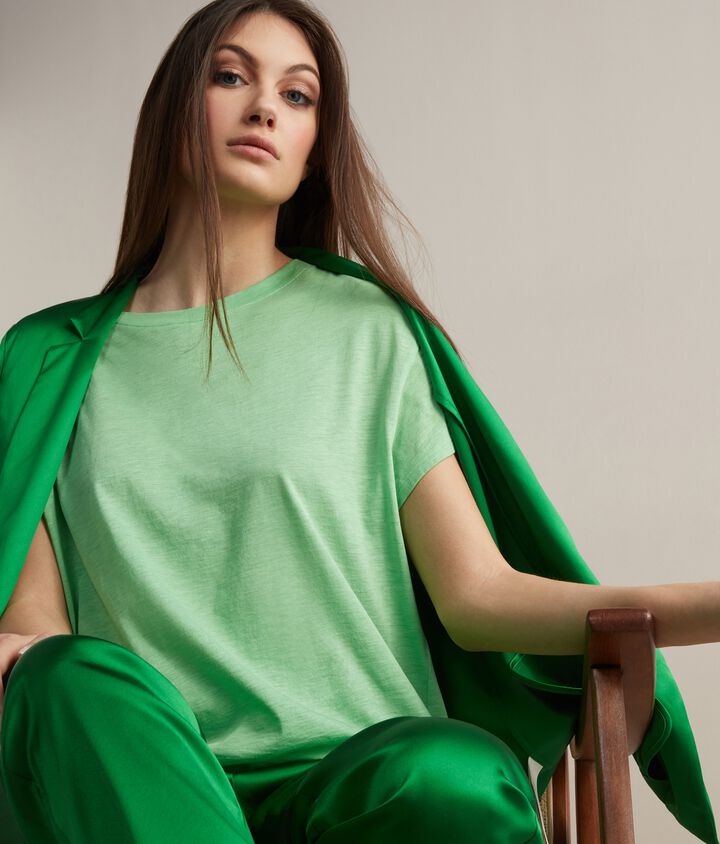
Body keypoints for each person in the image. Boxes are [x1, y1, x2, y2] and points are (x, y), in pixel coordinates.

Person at [0, 2, 718, 843]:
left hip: (356, 789)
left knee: (457, 776)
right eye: (230, 76)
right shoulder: (46, 358)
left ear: (314, 151)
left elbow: (479, 597)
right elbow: (37, 640)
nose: (263, 108)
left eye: (297, 95)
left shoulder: (368, 329)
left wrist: (705, 606)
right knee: (65, 676)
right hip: (151, 790)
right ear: (172, 111)